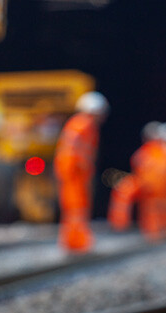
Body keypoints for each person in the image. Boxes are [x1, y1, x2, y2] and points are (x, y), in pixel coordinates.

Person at [109, 122, 166, 241]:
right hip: (154, 190)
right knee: (155, 215)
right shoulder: (152, 151)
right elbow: (138, 164)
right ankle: (123, 226)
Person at [53, 91, 108, 252]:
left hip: (73, 173)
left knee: (74, 208)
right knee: (77, 208)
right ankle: (77, 242)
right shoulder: (83, 124)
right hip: (74, 174)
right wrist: (80, 170)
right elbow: (75, 152)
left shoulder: (79, 124)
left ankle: (73, 241)